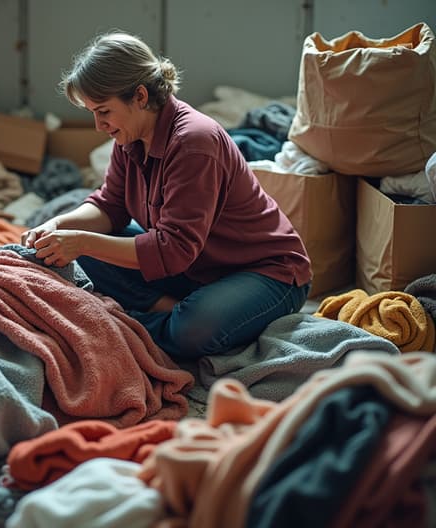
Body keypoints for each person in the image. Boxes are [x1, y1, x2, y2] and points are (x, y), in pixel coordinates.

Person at [21, 30, 312, 361]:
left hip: (264, 272)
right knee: (77, 250)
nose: (99, 125)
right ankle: (165, 312)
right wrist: (58, 225)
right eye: (93, 113)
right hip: (196, 267)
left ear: (140, 96)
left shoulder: (193, 142)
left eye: (103, 111)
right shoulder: (128, 137)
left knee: (192, 330)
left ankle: (155, 322)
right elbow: (109, 205)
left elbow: (173, 249)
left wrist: (80, 241)